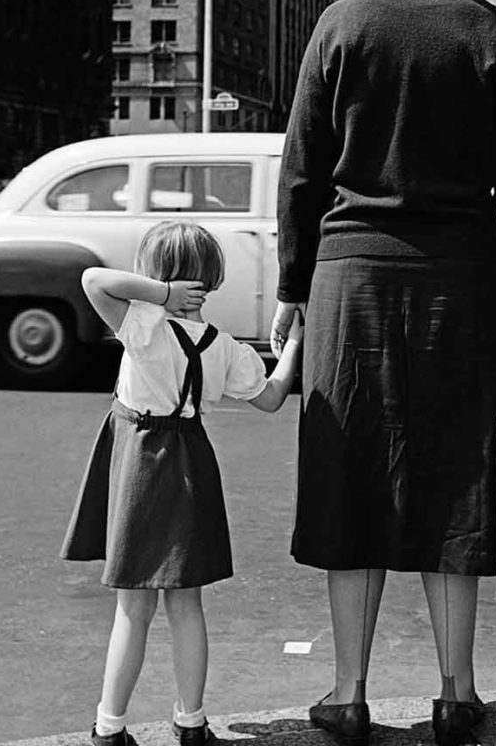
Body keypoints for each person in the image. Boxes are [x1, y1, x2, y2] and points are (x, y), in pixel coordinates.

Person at [270, 0, 496, 746]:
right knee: (452, 477)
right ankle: (454, 695)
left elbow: (300, 172)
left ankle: (348, 694)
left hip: (350, 279)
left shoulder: (341, 24)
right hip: (460, 280)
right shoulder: (486, 31)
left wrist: (291, 291)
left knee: (349, 475)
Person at [61, 220, 302, 746]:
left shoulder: (141, 323)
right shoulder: (225, 348)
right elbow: (270, 397)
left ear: (154, 275)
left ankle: (109, 726)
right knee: (187, 603)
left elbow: (93, 280)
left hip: (140, 461)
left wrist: (161, 294)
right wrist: (292, 346)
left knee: (133, 606)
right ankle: (191, 722)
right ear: (211, 278)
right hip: (191, 461)